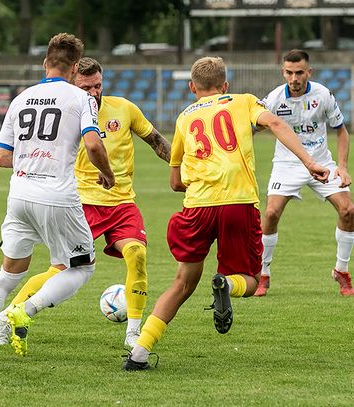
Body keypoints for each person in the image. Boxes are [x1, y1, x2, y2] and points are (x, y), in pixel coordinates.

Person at [122, 56, 330, 371]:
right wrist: (309, 162)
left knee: (182, 282)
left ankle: (138, 354)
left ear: (192, 87)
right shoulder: (244, 101)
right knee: (250, 278)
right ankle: (225, 285)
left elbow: (175, 180)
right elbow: (274, 123)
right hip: (238, 203)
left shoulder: (183, 118)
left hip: (197, 208)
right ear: (225, 85)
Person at [0, 33, 115, 361]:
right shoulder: (80, 99)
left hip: (20, 195)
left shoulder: (22, 98)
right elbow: (94, 145)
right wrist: (108, 174)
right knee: (82, 267)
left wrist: (32, 157)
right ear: (73, 69)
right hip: (56, 196)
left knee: (7, 276)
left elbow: (1, 156)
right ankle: (25, 310)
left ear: (45, 64)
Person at [0, 57, 171, 349]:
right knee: (61, 269)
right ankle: (8, 316)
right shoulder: (70, 110)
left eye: (97, 85)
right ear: (74, 83)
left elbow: (156, 140)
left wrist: (183, 167)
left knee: (136, 253)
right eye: (86, 87)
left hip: (123, 204)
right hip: (81, 203)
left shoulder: (124, 109)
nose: (93, 92)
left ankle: (133, 331)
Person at [256, 49, 354, 297]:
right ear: (283, 72)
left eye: (299, 72)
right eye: (289, 72)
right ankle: (263, 273)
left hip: (321, 162)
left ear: (309, 72)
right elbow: (251, 128)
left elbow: (341, 131)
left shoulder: (323, 95)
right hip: (287, 164)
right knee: (270, 213)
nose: (294, 78)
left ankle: (341, 271)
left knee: (349, 210)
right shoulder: (275, 99)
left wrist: (342, 166)